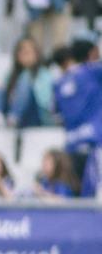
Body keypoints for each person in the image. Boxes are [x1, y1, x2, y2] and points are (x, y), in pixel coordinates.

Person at [51, 40, 102, 197]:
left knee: (74, 196)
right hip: (95, 142)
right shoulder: (94, 72)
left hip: (71, 144)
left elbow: (56, 115)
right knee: (94, 198)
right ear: (92, 53)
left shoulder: (58, 83)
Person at [0, 37, 55, 128]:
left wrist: (24, 93)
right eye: (22, 52)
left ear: (36, 54)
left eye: (28, 52)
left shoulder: (44, 74)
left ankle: (14, 118)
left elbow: (45, 102)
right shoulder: (11, 75)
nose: (25, 55)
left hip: (34, 114)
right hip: (10, 112)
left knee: (26, 78)